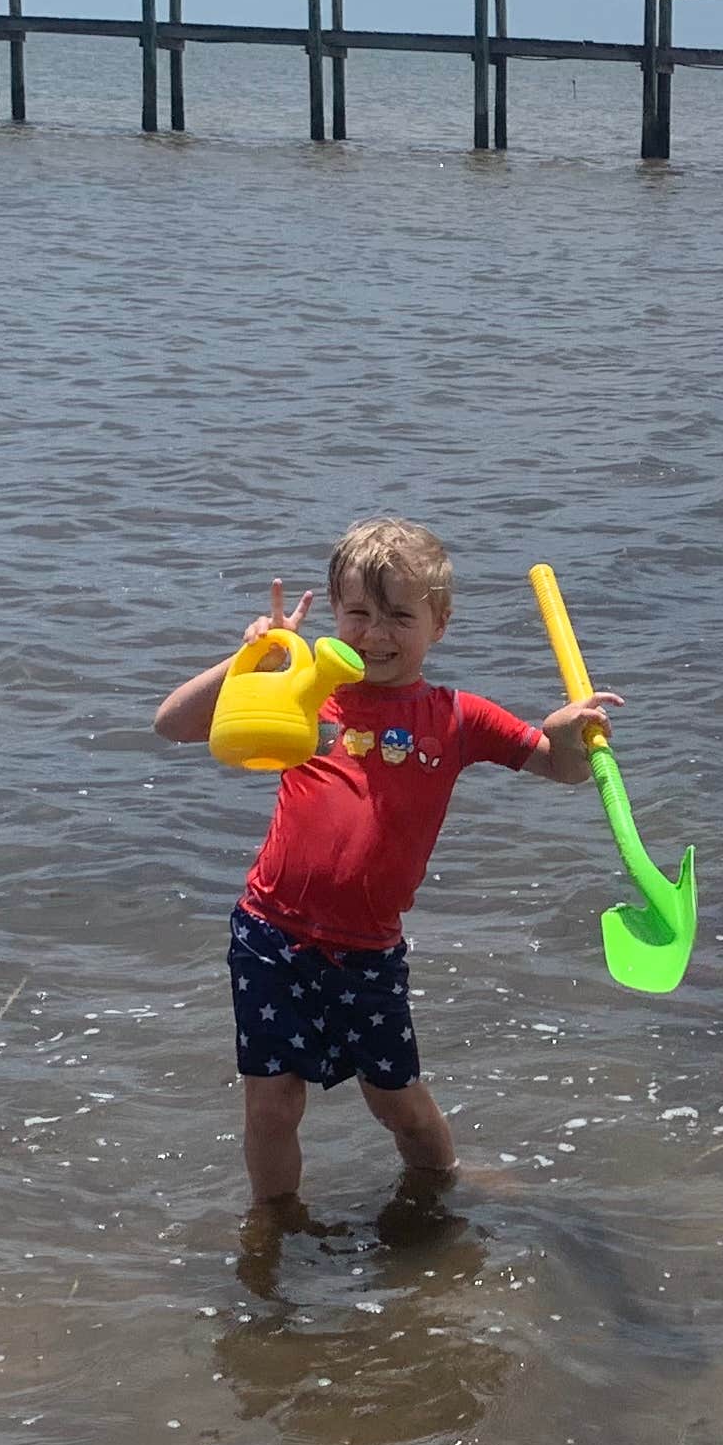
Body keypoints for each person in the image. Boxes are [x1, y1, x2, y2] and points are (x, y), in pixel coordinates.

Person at [152, 517, 614, 1212]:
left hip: (367, 951)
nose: (375, 635)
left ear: (439, 624)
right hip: (270, 935)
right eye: (359, 614)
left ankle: (443, 1183)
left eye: (400, 616)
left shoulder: (457, 717)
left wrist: (565, 734)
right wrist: (251, 663)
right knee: (272, 1106)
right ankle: (273, 1225)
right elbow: (172, 725)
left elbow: (562, 768)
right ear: (335, 616)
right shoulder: (306, 692)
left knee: (399, 1104)